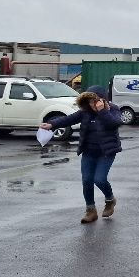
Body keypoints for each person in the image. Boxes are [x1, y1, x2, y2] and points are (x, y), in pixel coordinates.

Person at [40, 84, 122, 224]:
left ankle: (110, 200)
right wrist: (52, 124)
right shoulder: (85, 112)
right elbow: (68, 119)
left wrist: (102, 111)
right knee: (87, 180)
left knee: (100, 179)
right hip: (89, 151)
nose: (92, 104)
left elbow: (113, 124)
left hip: (106, 152)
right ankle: (91, 210)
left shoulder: (113, 110)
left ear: (102, 100)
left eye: (94, 101)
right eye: (89, 101)